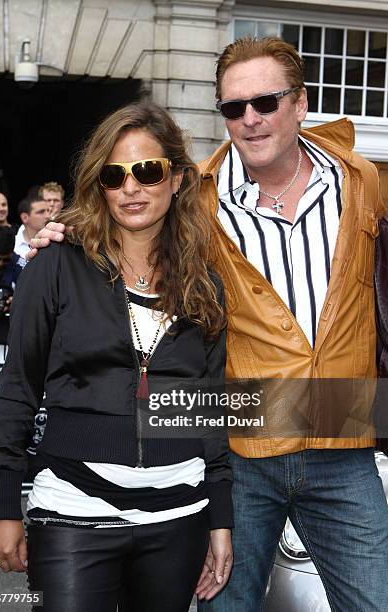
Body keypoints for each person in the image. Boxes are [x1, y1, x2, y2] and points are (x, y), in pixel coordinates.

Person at [32, 37, 388, 612]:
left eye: (266, 102)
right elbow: (125, 207)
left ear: (301, 103)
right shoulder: (195, 197)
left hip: (344, 442)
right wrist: (65, 232)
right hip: (241, 448)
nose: (250, 119)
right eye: (232, 107)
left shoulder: (365, 182)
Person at [0, 102, 233, 612]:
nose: (131, 188)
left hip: (179, 514)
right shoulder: (55, 265)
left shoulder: (204, 284)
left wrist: (220, 519)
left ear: (178, 179)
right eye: (114, 175)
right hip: (73, 509)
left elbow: (211, 407)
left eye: (147, 171)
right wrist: (4, 505)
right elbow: (17, 389)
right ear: (99, 185)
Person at [14, 195, 51, 259]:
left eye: (48, 211)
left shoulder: (54, 242)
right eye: (41, 212)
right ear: (24, 217)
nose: (47, 216)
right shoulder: (13, 246)